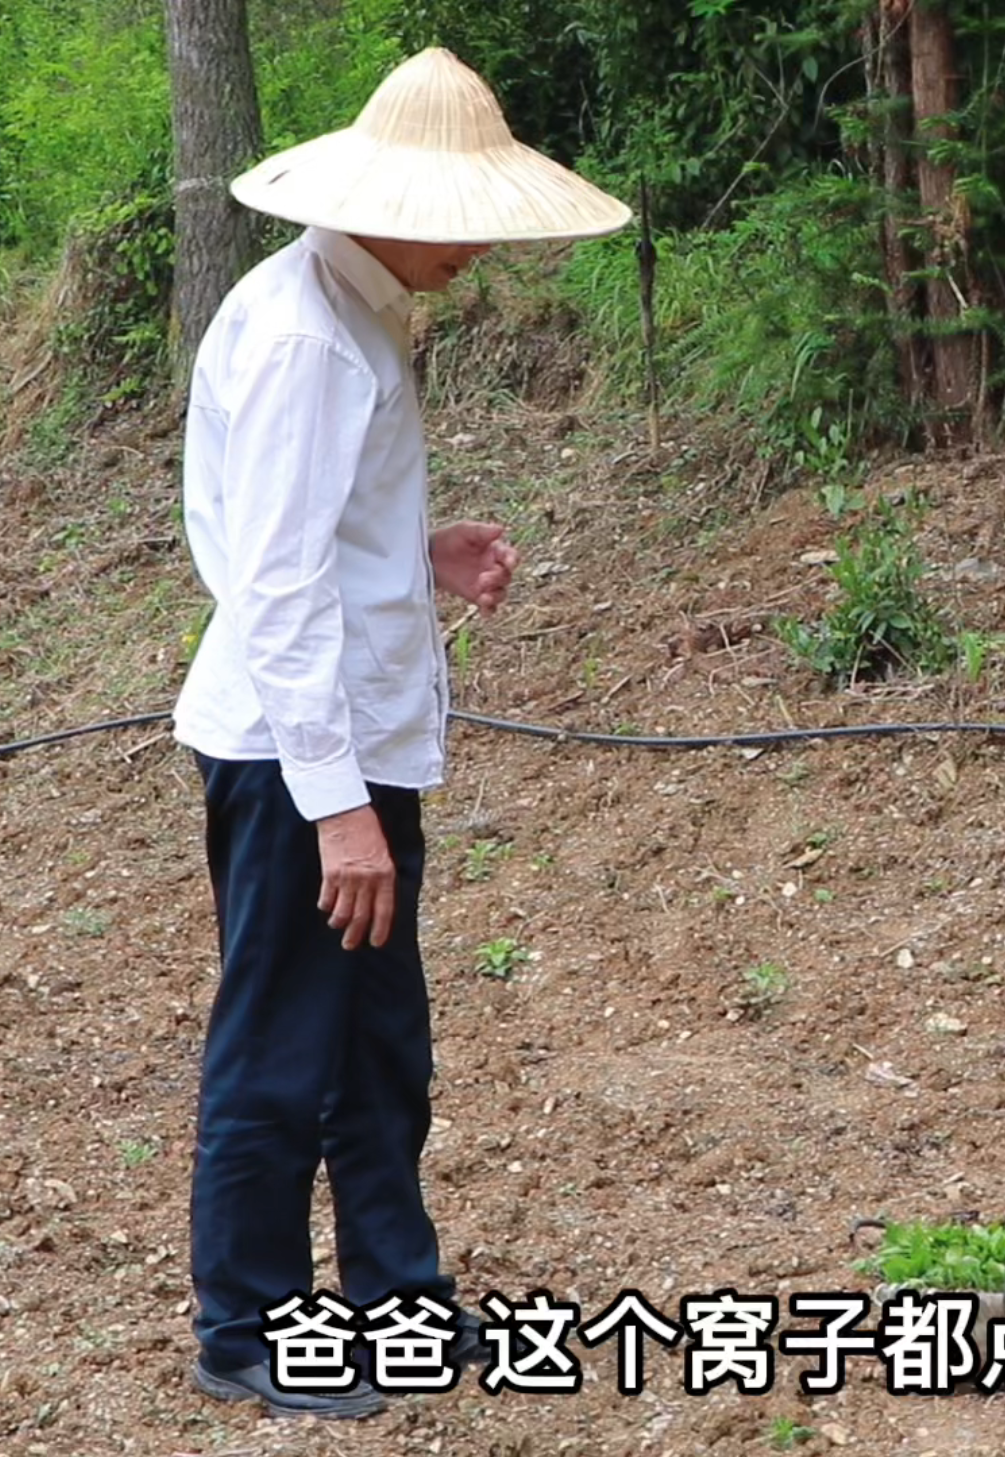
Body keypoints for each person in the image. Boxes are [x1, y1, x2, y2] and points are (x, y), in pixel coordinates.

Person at [169, 47, 629, 1420]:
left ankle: (393, 1297)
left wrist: (414, 550)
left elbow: (309, 537)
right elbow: (273, 583)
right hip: (300, 758)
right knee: (283, 1038)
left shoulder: (347, 310)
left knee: (377, 1039)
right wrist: (338, 808)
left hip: (347, 745)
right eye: (468, 214)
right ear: (397, 202)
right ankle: (244, 1325)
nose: (483, 244)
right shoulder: (311, 332)